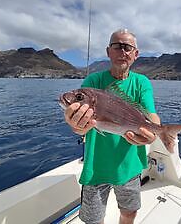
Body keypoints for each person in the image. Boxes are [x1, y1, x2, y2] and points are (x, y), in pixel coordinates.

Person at [64, 29, 161, 224]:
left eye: (128, 47)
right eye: (117, 46)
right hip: (96, 169)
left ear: (135, 54)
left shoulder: (141, 83)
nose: (123, 51)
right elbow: (80, 127)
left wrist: (155, 132)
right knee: (93, 220)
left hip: (130, 166)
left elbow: (151, 116)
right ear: (108, 51)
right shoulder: (93, 82)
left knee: (129, 213)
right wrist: (76, 125)